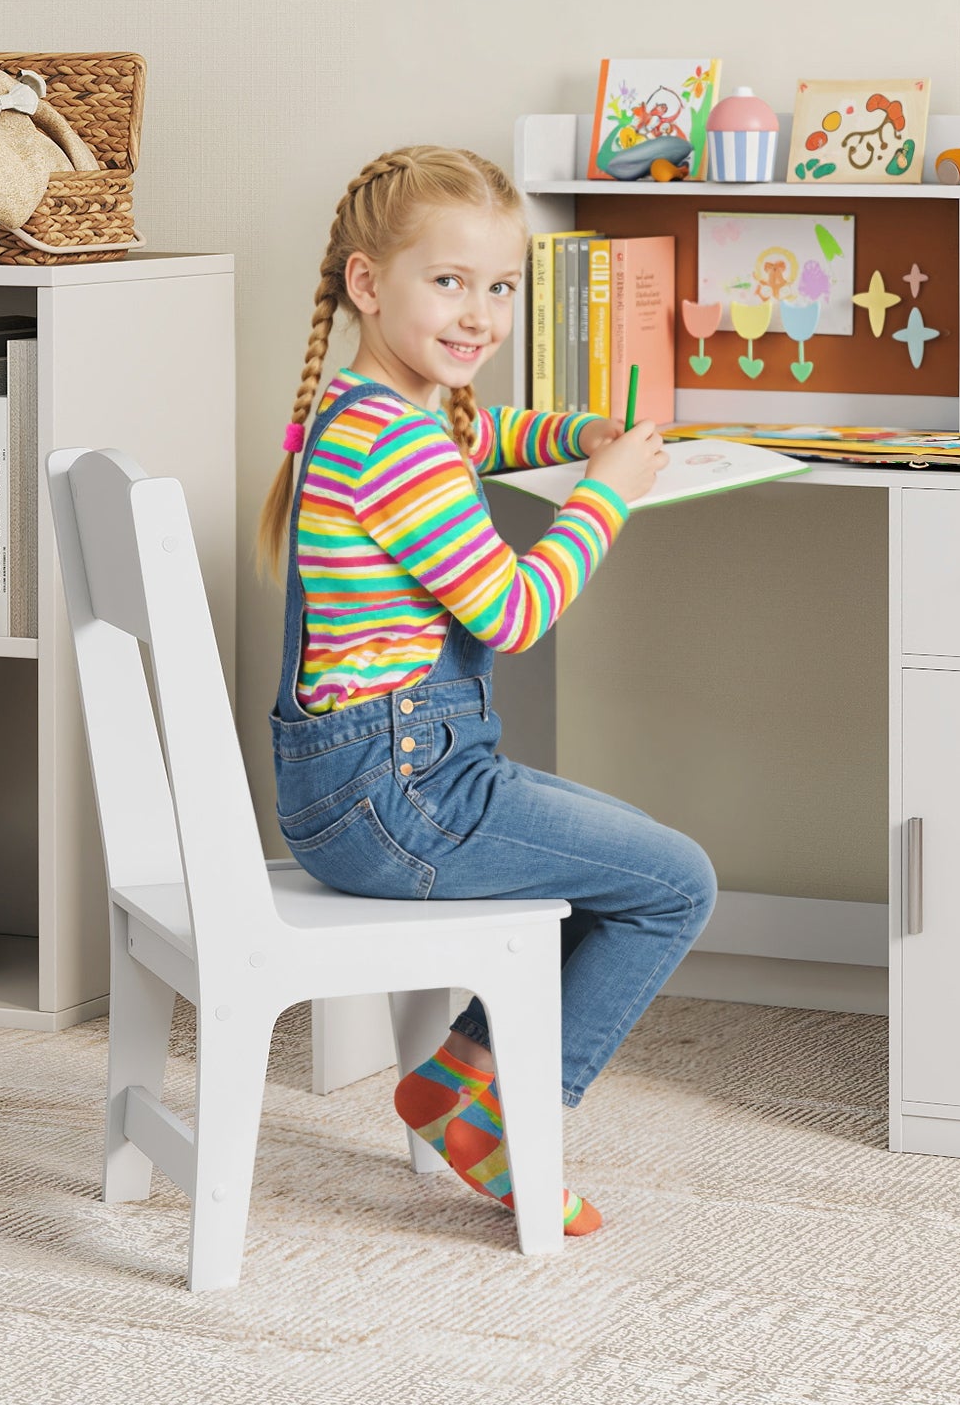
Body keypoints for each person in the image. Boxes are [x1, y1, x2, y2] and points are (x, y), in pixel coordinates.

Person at [258, 144, 714, 1237]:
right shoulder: (394, 442)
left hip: (381, 778)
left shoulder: (373, 407)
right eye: (448, 282)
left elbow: (482, 437)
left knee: (626, 860)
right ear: (370, 283)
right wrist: (603, 496)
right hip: (403, 793)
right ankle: (509, 1107)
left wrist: (576, 438)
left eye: (499, 287)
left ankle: (460, 1080)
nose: (478, 314)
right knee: (674, 882)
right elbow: (512, 611)